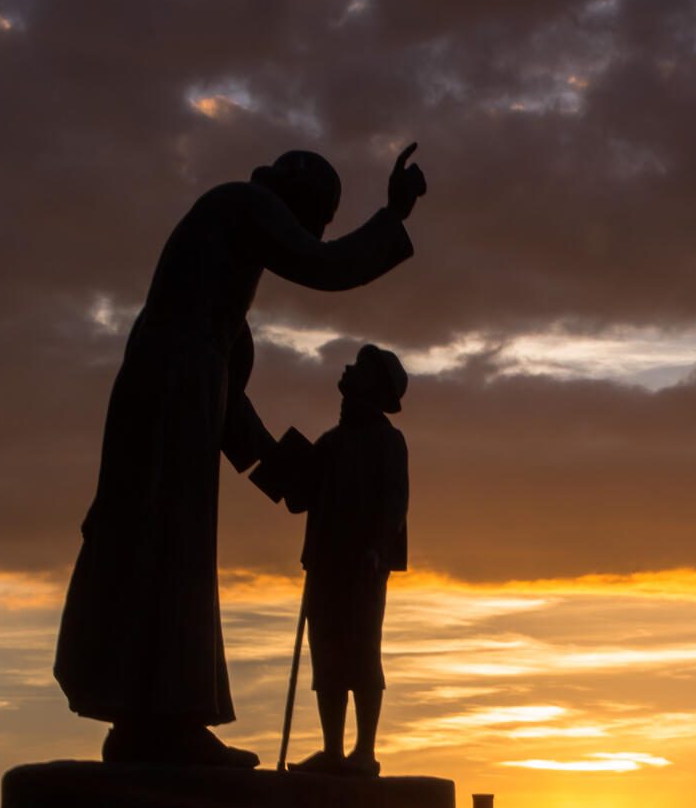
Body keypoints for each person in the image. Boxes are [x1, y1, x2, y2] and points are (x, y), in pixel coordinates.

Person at [54, 146, 427, 768]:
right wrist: (392, 215)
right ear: (296, 197)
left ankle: (153, 720)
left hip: (172, 393)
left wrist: (291, 478)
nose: (311, 235)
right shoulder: (241, 206)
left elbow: (234, 419)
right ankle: (164, 722)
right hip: (169, 394)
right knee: (167, 544)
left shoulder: (213, 309)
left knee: (165, 543)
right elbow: (326, 266)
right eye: (316, 219)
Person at [277, 344, 409, 776]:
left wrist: (378, 547)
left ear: (375, 386)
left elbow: (395, 502)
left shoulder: (388, 441)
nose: (350, 370)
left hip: (363, 566)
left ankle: (364, 751)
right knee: (327, 656)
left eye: (361, 368)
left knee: (363, 652)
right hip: (325, 564)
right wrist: (287, 463)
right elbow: (297, 499)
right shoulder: (329, 443)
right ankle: (332, 751)